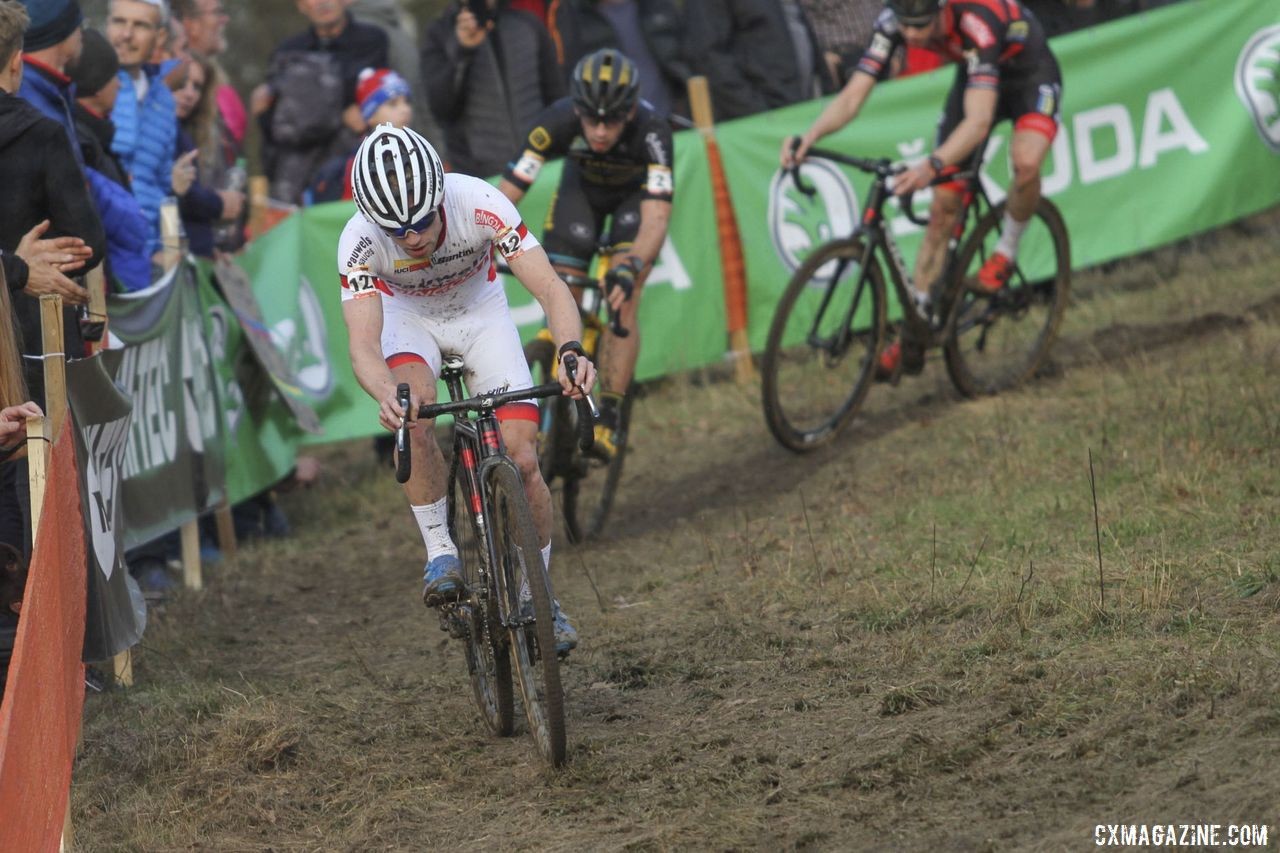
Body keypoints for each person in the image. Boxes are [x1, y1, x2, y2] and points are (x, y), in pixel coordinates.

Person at [337, 123, 595, 654]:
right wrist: (386, 392)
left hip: (481, 317)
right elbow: (364, 344)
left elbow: (549, 286)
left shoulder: (479, 200)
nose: (411, 236)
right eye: (395, 229)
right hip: (409, 322)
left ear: (440, 191)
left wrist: (570, 350)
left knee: (524, 462)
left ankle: (537, 594)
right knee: (415, 413)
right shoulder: (358, 241)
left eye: (422, 221)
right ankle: (440, 550)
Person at [782, 0, 1063, 377]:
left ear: (943, 11)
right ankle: (916, 328)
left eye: (921, 26)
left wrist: (931, 165)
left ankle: (1006, 252)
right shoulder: (892, 23)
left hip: (1028, 74)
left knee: (1026, 163)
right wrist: (810, 136)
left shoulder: (976, 23)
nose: (912, 35)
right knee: (942, 211)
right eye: (906, 26)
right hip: (975, 76)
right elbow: (853, 95)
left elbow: (978, 123)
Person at [498, 48, 672, 459]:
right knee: (562, 289)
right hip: (581, 197)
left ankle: (609, 414)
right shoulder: (555, 120)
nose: (598, 130)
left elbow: (657, 218)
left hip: (634, 205)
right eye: (590, 118)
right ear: (577, 108)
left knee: (623, 297)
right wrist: (478, 241)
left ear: (629, 113)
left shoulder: (653, 132)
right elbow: (505, 194)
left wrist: (630, 266)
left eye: (610, 119)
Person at [252, 0, 389, 204]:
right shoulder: (286, 51)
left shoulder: (373, 40)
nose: (323, 2)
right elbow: (273, 118)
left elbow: (389, 96)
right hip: (295, 177)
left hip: (355, 168)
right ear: (300, 5)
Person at [420, 0, 563, 178]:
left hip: (541, 168)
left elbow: (556, 98)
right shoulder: (439, 34)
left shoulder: (528, 25)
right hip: (480, 177)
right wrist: (463, 52)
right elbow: (440, 108)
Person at [107, 0, 179, 258]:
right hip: (101, 256)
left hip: (150, 258)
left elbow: (164, 187)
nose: (126, 34)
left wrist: (171, 249)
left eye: (139, 25)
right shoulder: (84, 88)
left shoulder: (164, 99)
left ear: (160, 36)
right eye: (119, 22)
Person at [685, 0, 833, 121]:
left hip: (807, 107)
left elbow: (799, 27)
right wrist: (755, 110)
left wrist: (827, 90)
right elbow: (709, 55)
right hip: (760, 119)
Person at [547, 0, 689, 117]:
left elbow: (688, 59)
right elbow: (567, 83)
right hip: (612, 135)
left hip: (675, 125)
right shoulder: (569, 15)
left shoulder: (657, 6)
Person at [168, 53, 244, 258]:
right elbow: (175, 197)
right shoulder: (166, 132)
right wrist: (219, 203)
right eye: (182, 83)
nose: (189, 93)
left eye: (197, 86)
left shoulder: (191, 134)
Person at [307, 66, 412, 203]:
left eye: (407, 102)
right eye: (393, 104)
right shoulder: (356, 163)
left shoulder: (421, 149)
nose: (405, 110)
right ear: (370, 115)